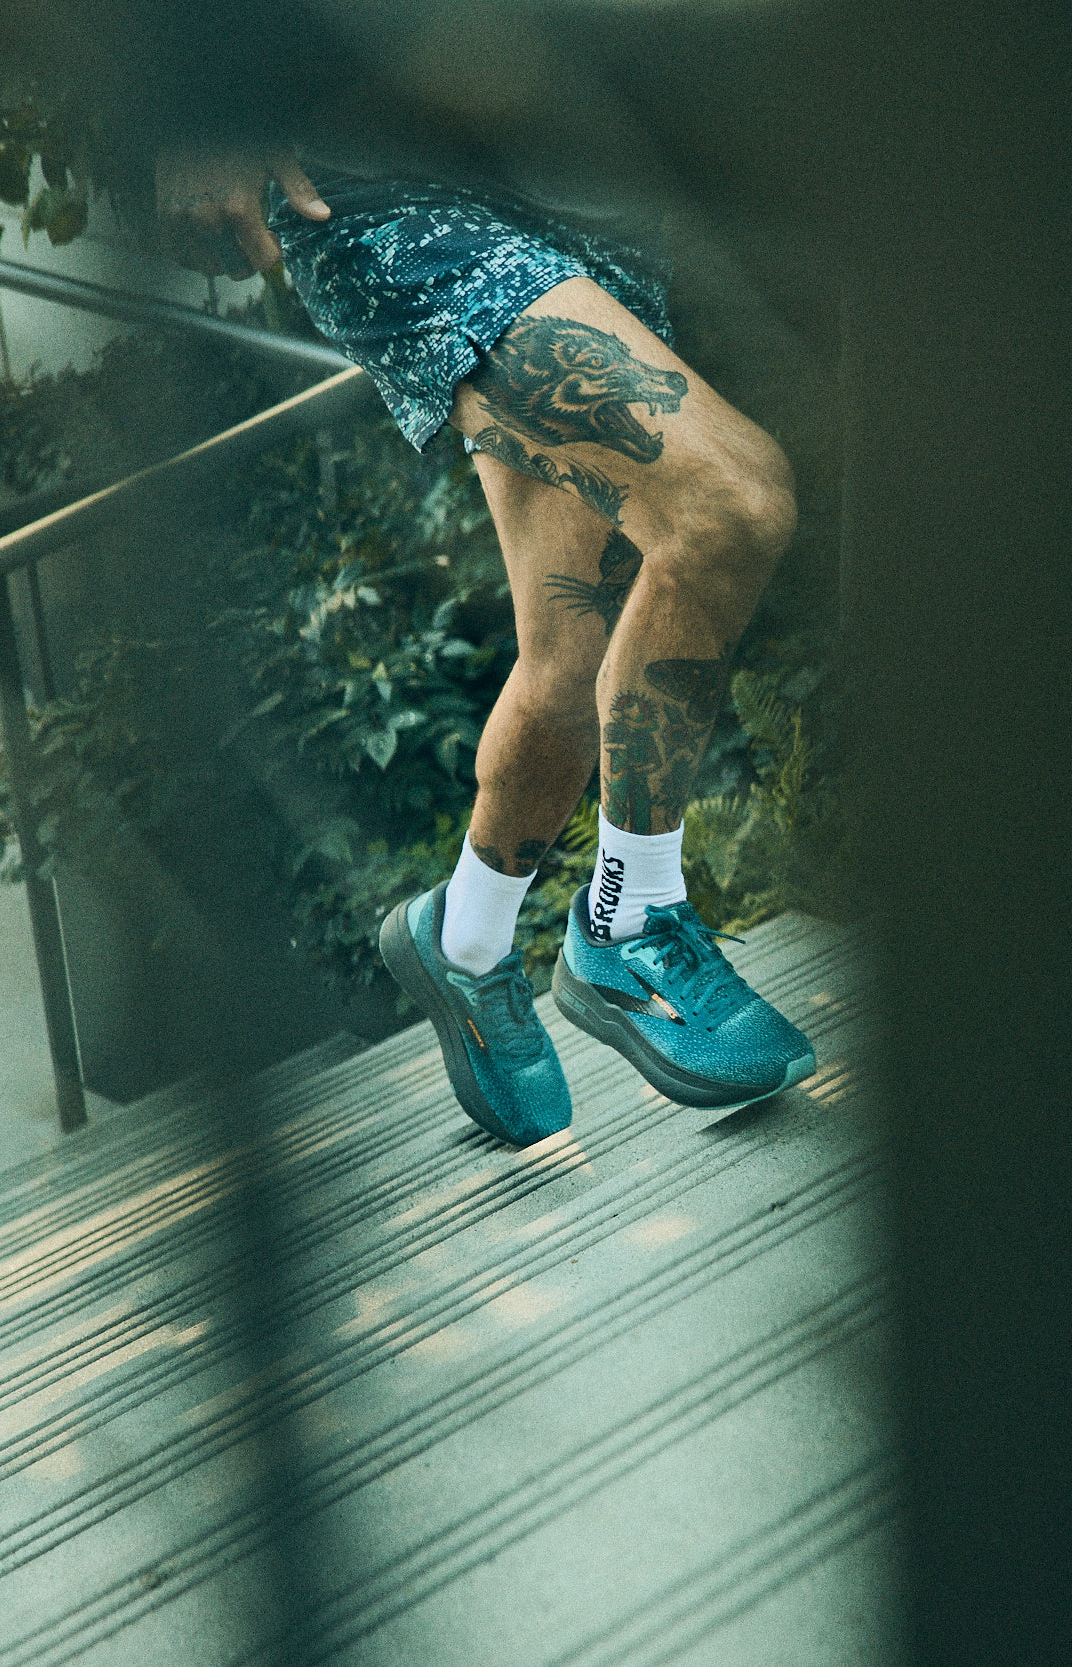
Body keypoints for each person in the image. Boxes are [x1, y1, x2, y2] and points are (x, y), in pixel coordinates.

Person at [156, 145, 815, 1147]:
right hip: (407, 197)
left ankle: (462, 939)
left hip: (595, 201)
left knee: (571, 659)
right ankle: (631, 919)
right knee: (734, 505)